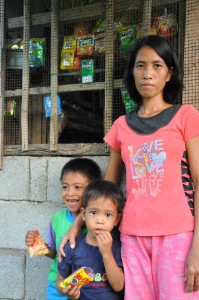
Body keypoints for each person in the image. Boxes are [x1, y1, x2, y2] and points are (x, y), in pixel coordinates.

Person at [59, 34, 199, 299]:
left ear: (169, 73)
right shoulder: (121, 126)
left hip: (178, 235)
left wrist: (198, 248)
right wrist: (78, 222)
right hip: (132, 237)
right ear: (132, 73)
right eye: (140, 65)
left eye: (157, 65)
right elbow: (107, 188)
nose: (148, 73)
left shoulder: (186, 117)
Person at [25, 158, 101, 300]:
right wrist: (39, 246)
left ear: (93, 190)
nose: (69, 193)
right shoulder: (56, 220)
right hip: (57, 286)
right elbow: (55, 254)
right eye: (65, 187)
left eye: (77, 187)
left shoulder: (96, 221)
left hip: (87, 288)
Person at [56, 180, 124, 300]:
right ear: (83, 214)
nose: (100, 220)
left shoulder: (117, 245)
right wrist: (67, 291)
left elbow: (118, 286)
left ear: (117, 220)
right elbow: (60, 281)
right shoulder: (73, 247)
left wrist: (107, 253)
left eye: (108, 215)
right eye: (94, 212)